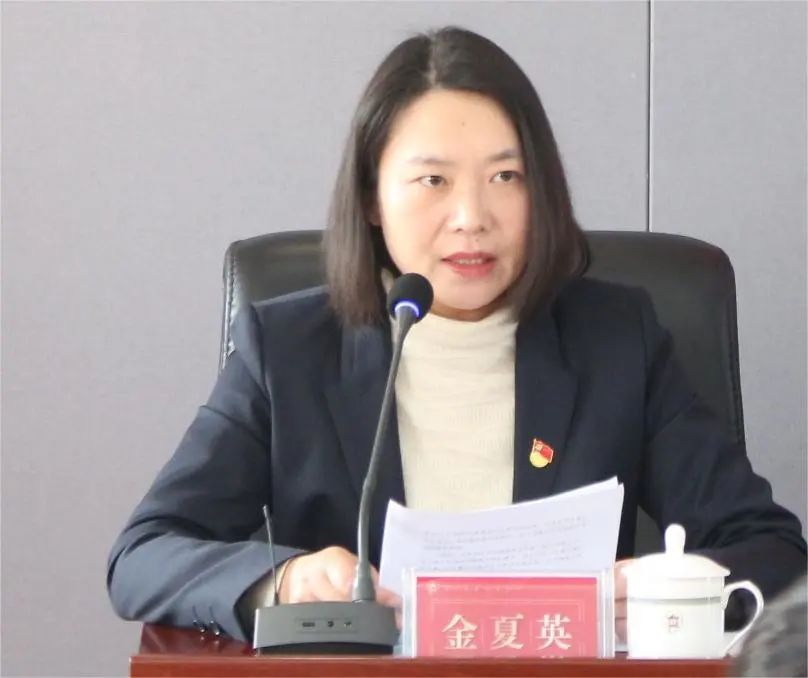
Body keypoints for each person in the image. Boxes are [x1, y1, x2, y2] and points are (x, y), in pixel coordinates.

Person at [107, 26, 806, 642]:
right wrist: (285, 579)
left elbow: (773, 552)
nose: (472, 217)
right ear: (372, 198)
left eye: (505, 175)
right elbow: (144, 554)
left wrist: (675, 591)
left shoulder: (617, 341)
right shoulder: (287, 350)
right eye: (433, 181)